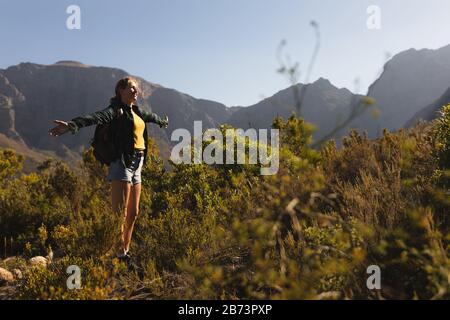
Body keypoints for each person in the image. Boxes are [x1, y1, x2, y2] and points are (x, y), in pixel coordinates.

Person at [49, 77, 168, 263]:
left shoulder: (137, 112)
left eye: (137, 89)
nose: (135, 91)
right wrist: (73, 125)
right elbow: (95, 117)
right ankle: (120, 256)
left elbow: (151, 118)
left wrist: (162, 122)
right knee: (119, 213)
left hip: (138, 162)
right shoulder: (115, 110)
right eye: (131, 88)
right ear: (120, 90)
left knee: (133, 212)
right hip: (122, 162)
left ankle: (125, 251)